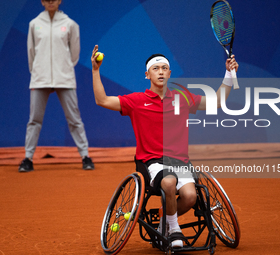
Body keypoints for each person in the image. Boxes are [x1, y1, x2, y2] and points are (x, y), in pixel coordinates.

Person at [91, 45, 238, 247]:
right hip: (151, 162)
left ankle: (164, 222)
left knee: (190, 196)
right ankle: (174, 230)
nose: (160, 71)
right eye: (155, 68)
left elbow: (218, 101)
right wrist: (96, 70)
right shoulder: (136, 101)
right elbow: (102, 100)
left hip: (179, 161)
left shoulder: (182, 98)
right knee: (168, 182)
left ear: (169, 73)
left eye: (164, 68)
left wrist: (229, 74)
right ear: (147, 74)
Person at [19, 0, 94, 172]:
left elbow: (74, 54)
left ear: (60, 1)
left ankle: (85, 156)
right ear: (42, 2)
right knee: (34, 120)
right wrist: (38, 71)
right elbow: (31, 53)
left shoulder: (70, 24)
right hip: (40, 78)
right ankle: (27, 159)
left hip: (65, 78)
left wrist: (64, 68)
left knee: (74, 119)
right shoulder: (34, 24)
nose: (51, 1)